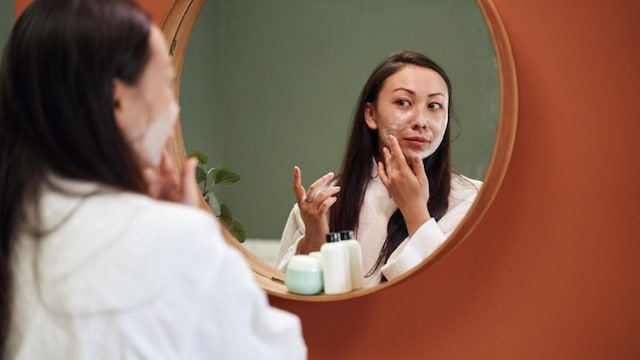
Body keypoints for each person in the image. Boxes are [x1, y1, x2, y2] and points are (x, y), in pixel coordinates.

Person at [0, 0, 305, 358]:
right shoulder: (172, 239)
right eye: (166, 82)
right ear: (118, 103)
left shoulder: (19, 223)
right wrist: (188, 233)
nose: (173, 107)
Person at [275, 50, 481, 288]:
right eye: (403, 102)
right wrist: (314, 239)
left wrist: (415, 211)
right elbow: (287, 298)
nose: (421, 120)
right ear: (371, 115)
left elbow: (457, 294)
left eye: (434, 106)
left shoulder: (472, 200)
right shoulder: (325, 202)